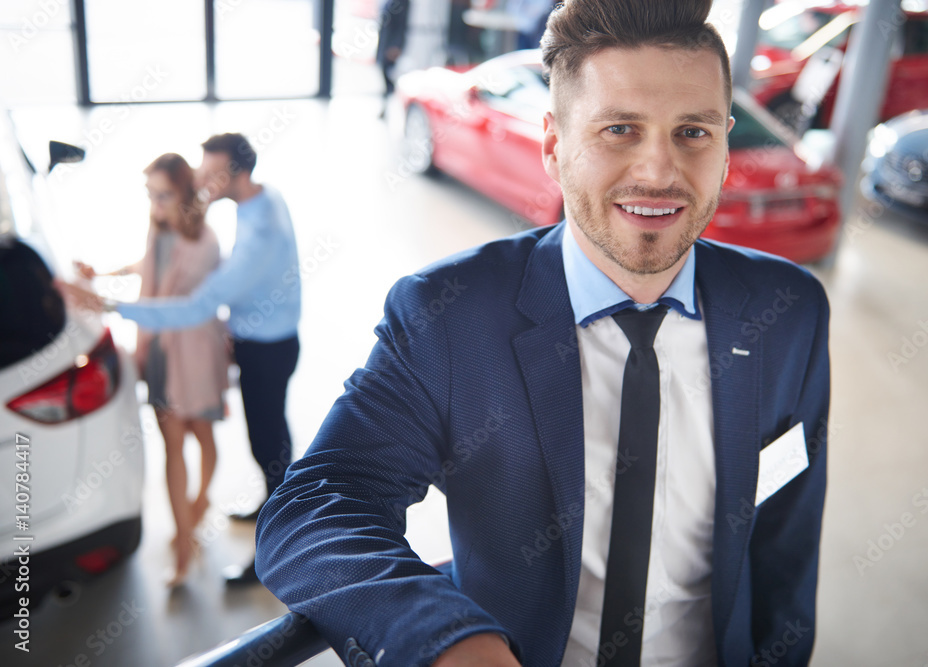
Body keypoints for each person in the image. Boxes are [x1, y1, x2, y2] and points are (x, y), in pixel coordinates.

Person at [257, 0, 830, 665]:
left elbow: (787, 543)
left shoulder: (789, 312)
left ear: (726, 145)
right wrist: (448, 638)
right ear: (554, 147)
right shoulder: (448, 314)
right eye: (620, 129)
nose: (658, 171)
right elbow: (321, 502)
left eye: (692, 132)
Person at [62, 134, 301, 587]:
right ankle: (269, 507)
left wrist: (106, 305)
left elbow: (197, 306)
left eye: (212, 174)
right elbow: (157, 265)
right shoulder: (262, 200)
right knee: (266, 442)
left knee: (269, 446)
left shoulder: (244, 239)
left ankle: (278, 548)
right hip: (260, 339)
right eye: (201, 172)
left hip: (264, 350)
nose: (203, 181)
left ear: (237, 173)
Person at [76, 154, 229, 586]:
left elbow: (178, 310)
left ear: (184, 194)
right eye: (149, 194)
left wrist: (107, 303)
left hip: (195, 355)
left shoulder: (206, 243)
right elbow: (151, 267)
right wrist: (105, 273)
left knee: (203, 434)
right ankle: (183, 543)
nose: (154, 203)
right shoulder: (158, 228)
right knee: (173, 445)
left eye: (162, 195)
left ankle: (198, 508)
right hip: (162, 353)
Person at [376, 0, 411, 118]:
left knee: (392, 79)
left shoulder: (402, 2)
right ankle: (386, 108)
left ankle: (394, 110)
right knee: (385, 78)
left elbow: (402, 25)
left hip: (391, 47)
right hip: (384, 43)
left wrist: (397, 46)